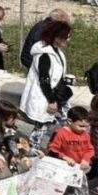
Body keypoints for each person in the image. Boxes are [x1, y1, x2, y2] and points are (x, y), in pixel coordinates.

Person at [20, 19, 73, 149]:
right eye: (65, 37)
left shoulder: (56, 51)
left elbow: (55, 73)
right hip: (48, 96)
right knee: (43, 124)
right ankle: (33, 149)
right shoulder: (44, 55)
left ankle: (58, 146)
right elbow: (44, 79)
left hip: (58, 93)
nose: (68, 40)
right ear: (56, 37)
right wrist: (51, 100)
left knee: (69, 120)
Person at [48, 106, 93, 195]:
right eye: (81, 126)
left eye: (86, 126)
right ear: (69, 121)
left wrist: (86, 159)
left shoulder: (85, 135)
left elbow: (90, 149)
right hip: (64, 170)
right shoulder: (61, 133)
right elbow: (52, 150)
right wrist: (64, 157)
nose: (84, 129)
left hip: (78, 170)